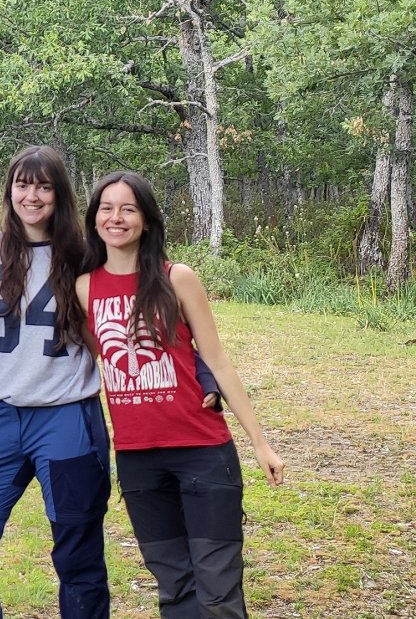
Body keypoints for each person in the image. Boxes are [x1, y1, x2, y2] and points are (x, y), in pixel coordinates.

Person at [75, 171, 286, 618]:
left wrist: (260, 442)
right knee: (174, 586)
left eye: (128, 208)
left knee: (218, 590)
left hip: (202, 453)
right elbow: (98, 363)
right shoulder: (84, 287)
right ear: (94, 220)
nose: (117, 217)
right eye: (106, 208)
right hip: (137, 458)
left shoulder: (179, 278)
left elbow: (217, 359)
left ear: (147, 220)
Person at [0, 146, 112, 618]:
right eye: (22, 184)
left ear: (60, 193)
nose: (31, 195)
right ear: (9, 189)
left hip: (66, 416)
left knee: (79, 559)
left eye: (43, 185)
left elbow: (141, 311)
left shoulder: (86, 254)